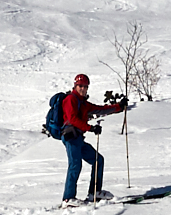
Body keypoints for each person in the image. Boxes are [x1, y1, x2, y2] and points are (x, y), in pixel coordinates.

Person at [55, 73, 128, 202]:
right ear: (75, 86)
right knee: (75, 165)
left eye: (85, 86)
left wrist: (118, 107)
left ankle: (94, 192)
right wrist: (91, 128)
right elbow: (72, 119)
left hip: (78, 138)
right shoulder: (70, 100)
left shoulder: (83, 103)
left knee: (97, 160)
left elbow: (100, 109)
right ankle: (68, 199)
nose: (83, 89)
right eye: (80, 86)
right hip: (70, 137)